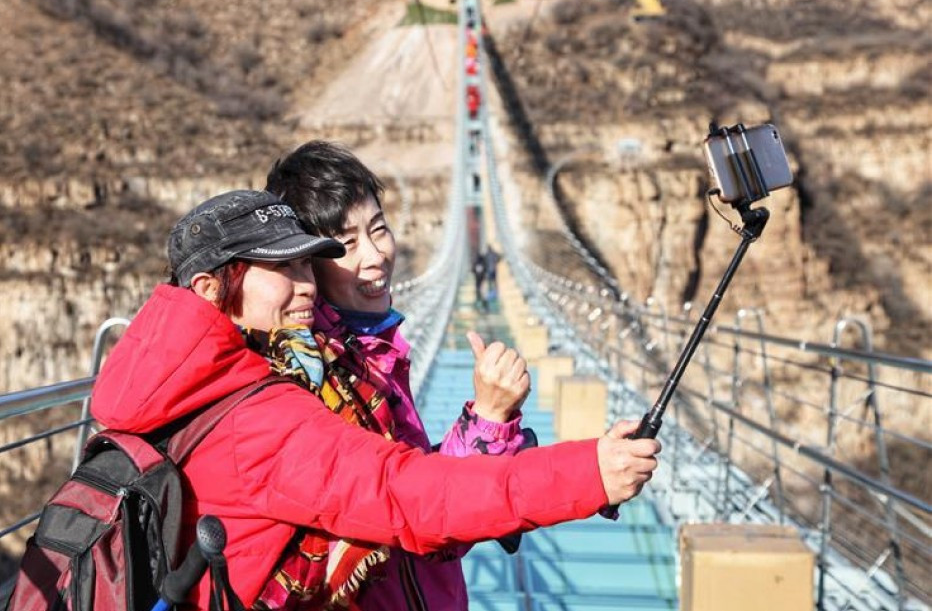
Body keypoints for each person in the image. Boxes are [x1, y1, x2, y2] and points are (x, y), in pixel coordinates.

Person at [91, 190, 661, 609]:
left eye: (306, 263)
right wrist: (588, 473)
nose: (308, 283)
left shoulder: (181, 381)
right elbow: (411, 497)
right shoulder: (260, 418)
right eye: (282, 268)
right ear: (211, 288)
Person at [266, 141, 521, 608]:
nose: (376, 254)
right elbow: (424, 515)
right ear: (306, 263)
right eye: (346, 243)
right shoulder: (322, 380)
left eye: (378, 229)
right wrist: (488, 418)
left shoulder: (371, 352)